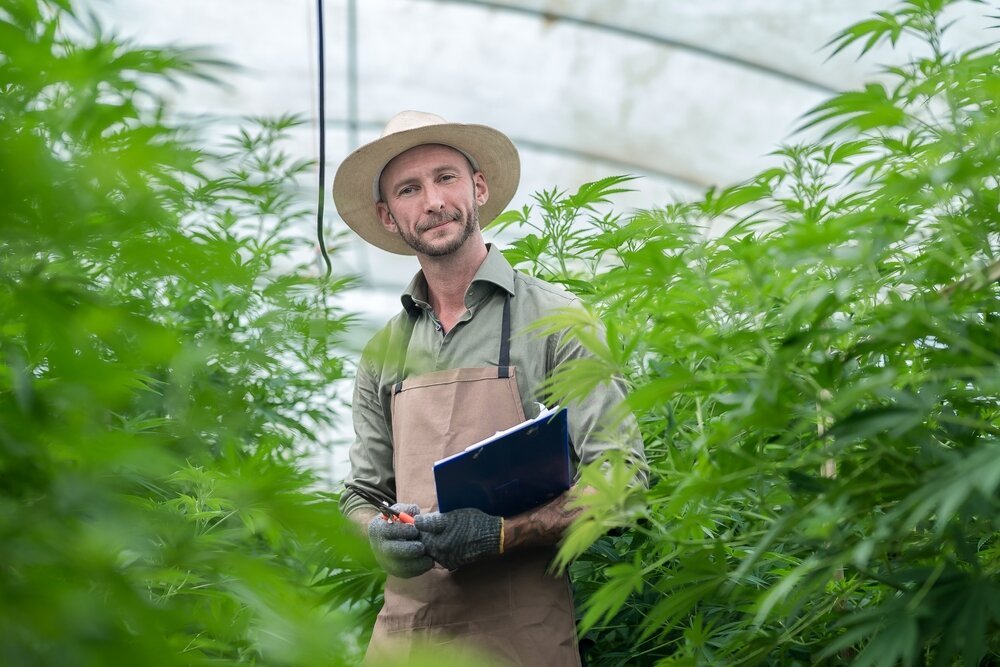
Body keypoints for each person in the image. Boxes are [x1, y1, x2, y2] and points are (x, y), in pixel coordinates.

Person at [333, 110, 644, 666]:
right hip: (408, 638)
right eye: (409, 189)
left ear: (478, 187)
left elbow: (622, 477)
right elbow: (361, 495)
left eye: (445, 178)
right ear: (387, 216)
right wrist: (374, 533)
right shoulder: (384, 352)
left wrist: (503, 534)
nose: (433, 201)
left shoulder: (557, 320)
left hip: (522, 636)